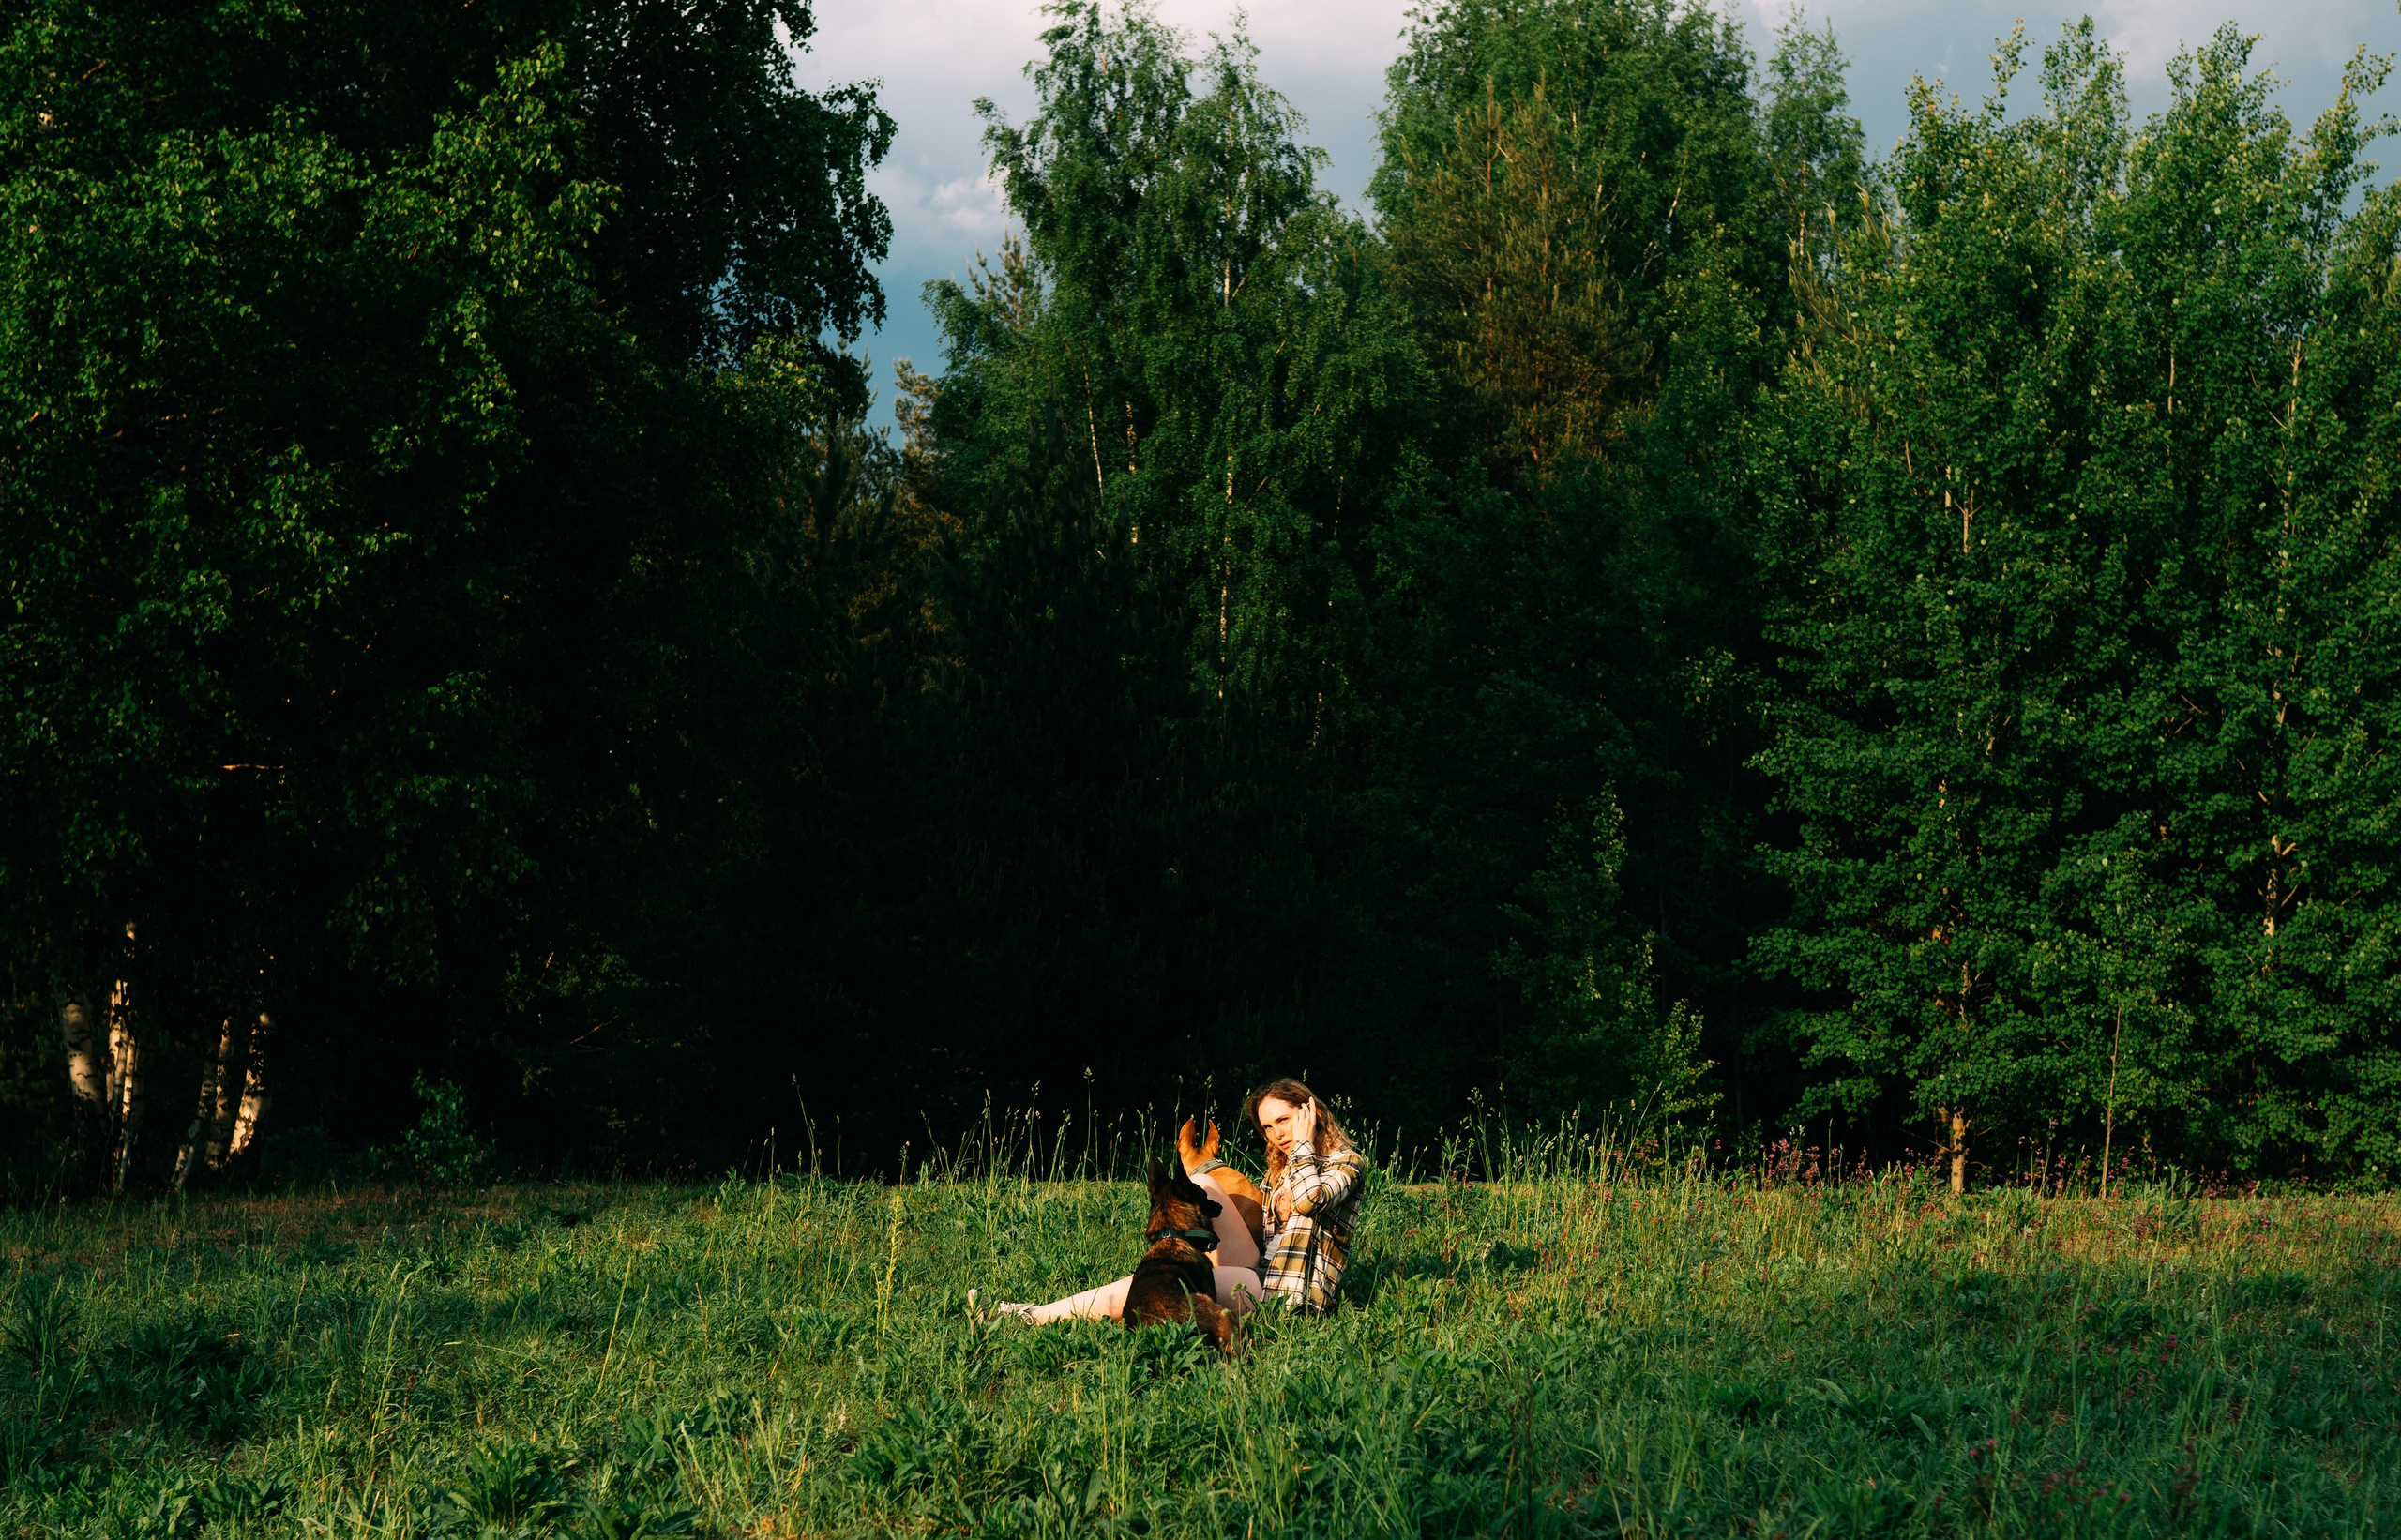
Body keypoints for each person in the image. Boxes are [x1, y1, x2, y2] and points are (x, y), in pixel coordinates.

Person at [992, 1077, 1364, 1322]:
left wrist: (1302, 1145)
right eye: (1267, 1126)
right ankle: (1176, 1263)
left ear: (1309, 1112)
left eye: (1284, 1120)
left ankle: (1032, 1316)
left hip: (1291, 1293)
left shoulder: (1346, 1163)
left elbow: (1311, 1200)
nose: (1277, 1134)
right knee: (1203, 1181)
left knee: (1158, 1286)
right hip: (1263, 1270)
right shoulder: (1280, 1168)